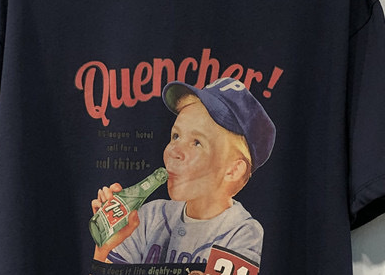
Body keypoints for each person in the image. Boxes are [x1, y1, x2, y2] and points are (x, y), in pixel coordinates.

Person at [91, 77, 276, 265]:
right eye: (176, 136)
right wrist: (104, 246)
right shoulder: (150, 216)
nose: (173, 151)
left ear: (233, 170)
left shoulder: (242, 233)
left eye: (197, 143)